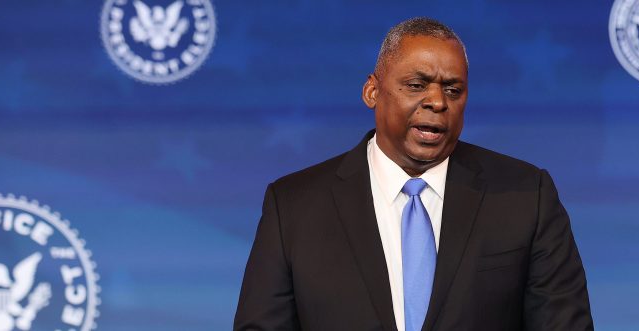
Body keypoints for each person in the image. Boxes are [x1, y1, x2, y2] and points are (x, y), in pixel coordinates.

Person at [234, 17, 593, 331]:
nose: (438, 102)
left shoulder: (526, 196)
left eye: (453, 89)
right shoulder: (294, 205)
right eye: (417, 85)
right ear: (372, 91)